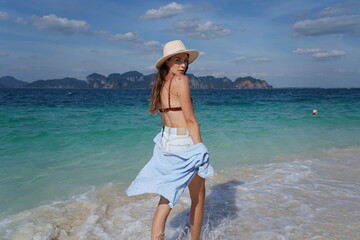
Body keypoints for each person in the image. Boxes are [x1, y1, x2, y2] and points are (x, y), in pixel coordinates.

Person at [126, 40, 214, 240]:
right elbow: (191, 120)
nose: (183, 65)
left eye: (185, 61)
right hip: (185, 143)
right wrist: (200, 149)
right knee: (198, 199)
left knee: (165, 201)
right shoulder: (181, 82)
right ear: (167, 62)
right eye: (177, 60)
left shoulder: (161, 84)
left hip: (167, 143)